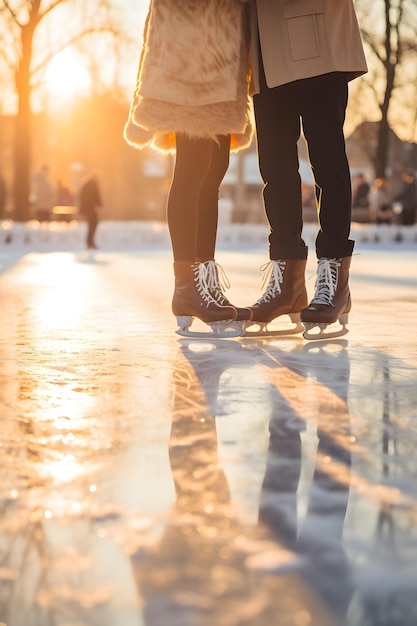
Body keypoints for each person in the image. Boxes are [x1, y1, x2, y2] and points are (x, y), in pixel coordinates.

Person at [124, 0, 253, 337]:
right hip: (191, 42)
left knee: (215, 168)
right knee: (193, 166)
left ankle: (205, 282)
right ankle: (186, 289)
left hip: (225, 45)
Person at [247, 0, 368, 339]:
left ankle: (334, 278)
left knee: (327, 160)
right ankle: (287, 282)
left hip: (317, 30)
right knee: (274, 166)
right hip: (263, 39)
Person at [78, 174, 102, 249]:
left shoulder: (85, 185)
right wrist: (99, 204)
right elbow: (96, 196)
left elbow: (80, 196)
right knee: (93, 224)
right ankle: (90, 242)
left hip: (87, 209)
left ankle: (90, 242)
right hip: (91, 209)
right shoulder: (93, 186)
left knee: (91, 225)